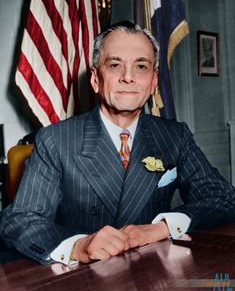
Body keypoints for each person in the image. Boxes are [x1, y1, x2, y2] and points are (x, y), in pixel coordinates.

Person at [1, 21, 235, 265]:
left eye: (141, 66)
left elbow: (224, 198)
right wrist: (79, 246)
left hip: (152, 271)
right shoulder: (55, 140)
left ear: (154, 81)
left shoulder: (175, 136)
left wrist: (164, 227)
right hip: (80, 277)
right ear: (95, 79)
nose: (128, 77)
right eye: (115, 65)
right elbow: (20, 220)